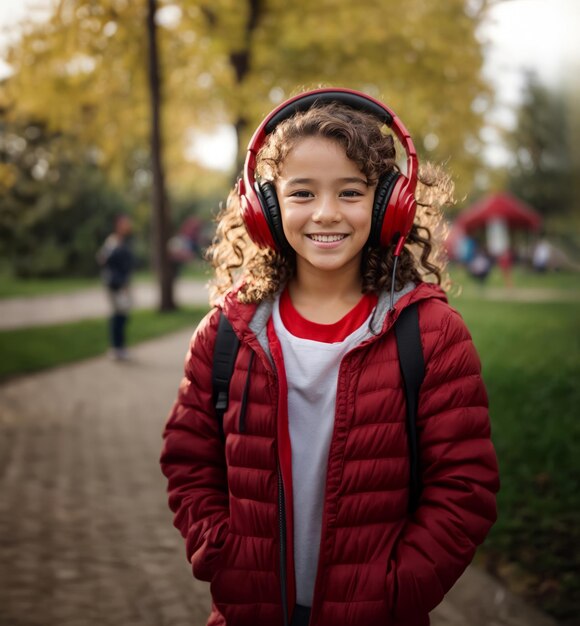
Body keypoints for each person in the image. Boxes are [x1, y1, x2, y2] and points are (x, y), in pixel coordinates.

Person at [160, 88, 499, 626]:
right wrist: (222, 556)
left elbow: (464, 486)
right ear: (264, 208)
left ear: (390, 204)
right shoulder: (226, 332)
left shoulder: (432, 334)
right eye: (301, 193)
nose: (325, 213)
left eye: (350, 192)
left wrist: (394, 590)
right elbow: (188, 461)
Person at [97, 214, 134, 361]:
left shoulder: (126, 241)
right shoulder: (113, 242)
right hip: (114, 285)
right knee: (117, 315)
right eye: (125, 223)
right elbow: (103, 259)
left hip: (123, 284)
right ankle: (116, 347)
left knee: (123, 315)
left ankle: (120, 346)